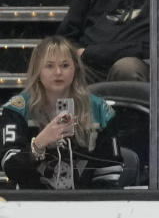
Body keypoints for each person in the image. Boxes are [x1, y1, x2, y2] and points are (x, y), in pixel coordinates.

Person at [0, 37, 124, 190]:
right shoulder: (16, 110)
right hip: (31, 204)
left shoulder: (101, 110)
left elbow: (109, 175)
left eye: (65, 65)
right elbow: (11, 168)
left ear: (75, 69)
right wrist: (39, 144)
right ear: (37, 71)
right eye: (49, 66)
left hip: (87, 205)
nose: (58, 72)